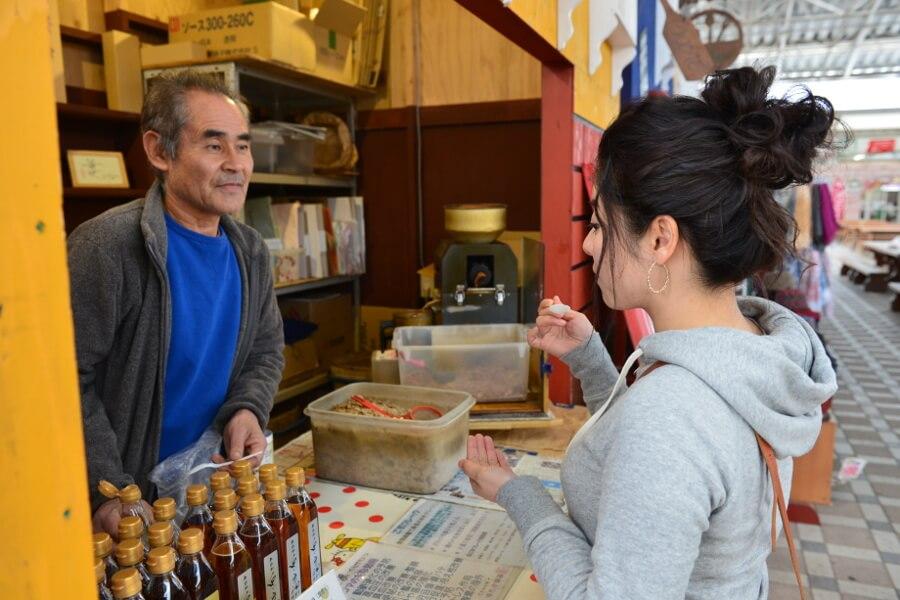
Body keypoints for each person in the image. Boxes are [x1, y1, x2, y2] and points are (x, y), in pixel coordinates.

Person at [460, 66, 840, 599]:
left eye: (597, 225)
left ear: (661, 238)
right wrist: (594, 363)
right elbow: (651, 463)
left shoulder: (670, 416)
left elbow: (661, 442)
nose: (590, 246)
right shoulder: (758, 348)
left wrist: (520, 494)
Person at [68, 70, 284, 538]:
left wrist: (247, 409)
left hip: (212, 489)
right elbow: (64, 380)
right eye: (213, 145)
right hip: (130, 509)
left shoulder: (250, 251)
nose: (236, 163)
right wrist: (107, 490)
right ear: (159, 151)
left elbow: (265, 351)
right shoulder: (105, 247)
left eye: (242, 146)